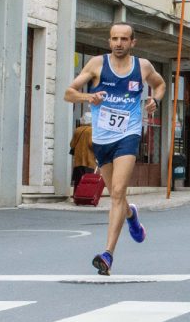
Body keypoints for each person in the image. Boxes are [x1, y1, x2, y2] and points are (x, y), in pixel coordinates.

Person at [64, 22, 166, 275]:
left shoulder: (142, 66)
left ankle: (108, 254)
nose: (118, 43)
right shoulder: (97, 65)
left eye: (124, 39)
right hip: (101, 139)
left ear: (133, 42)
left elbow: (160, 84)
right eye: (114, 39)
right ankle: (131, 214)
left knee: (118, 190)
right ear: (109, 41)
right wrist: (89, 97)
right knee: (117, 196)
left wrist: (155, 100)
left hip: (129, 134)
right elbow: (68, 93)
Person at [70, 112, 95, 187]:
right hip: (88, 161)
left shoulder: (77, 130)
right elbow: (92, 144)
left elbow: (72, 144)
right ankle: (85, 197)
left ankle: (76, 197)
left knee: (78, 182)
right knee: (87, 183)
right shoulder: (91, 130)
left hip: (78, 161)